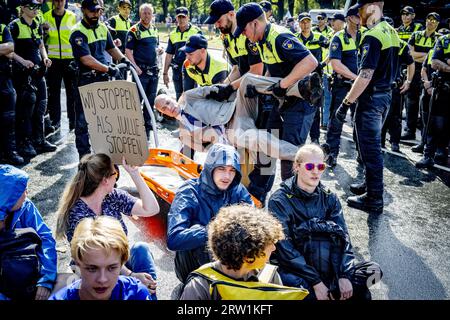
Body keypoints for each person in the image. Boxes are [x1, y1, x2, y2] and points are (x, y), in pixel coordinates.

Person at [268, 144, 383, 300]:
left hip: (329, 266)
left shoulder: (329, 197)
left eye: (320, 166)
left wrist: (343, 274)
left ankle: (332, 291)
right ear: (297, 166)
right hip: (298, 271)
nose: (316, 171)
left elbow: (344, 237)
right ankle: (330, 292)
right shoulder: (279, 200)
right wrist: (316, 282)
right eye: (309, 166)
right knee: (299, 288)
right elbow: (285, 250)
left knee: (373, 270)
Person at [234, 3, 318, 181]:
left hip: (299, 103)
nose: (243, 33)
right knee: (266, 146)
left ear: (255, 23)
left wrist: (283, 84)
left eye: (244, 29)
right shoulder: (262, 41)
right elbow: (272, 68)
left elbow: (310, 62)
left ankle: (292, 201)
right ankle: (259, 192)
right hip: (281, 101)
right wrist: (259, 87)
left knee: (290, 159)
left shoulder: (279, 37)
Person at [55, 153, 160, 297]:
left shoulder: (112, 197)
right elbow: (95, 255)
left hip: (116, 261)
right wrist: (132, 275)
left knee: (141, 248)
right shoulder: (77, 212)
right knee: (134, 280)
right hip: (93, 269)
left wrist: (135, 174)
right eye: (115, 173)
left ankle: (149, 297)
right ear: (105, 180)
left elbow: (152, 209)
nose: (117, 177)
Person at [155, 72, 321, 160]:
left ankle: (300, 87)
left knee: (248, 79)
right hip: (232, 133)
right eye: (164, 108)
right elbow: (205, 149)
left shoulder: (188, 97)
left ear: (171, 98)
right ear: (163, 113)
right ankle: (305, 155)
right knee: (258, 138)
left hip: (235, 109)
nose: (169, 108)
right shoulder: (184, 134)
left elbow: (212, 90)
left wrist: (228, 91)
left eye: (168, 102)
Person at [340, 0, 400, 214]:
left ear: (374, 6)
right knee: (369, 147)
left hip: (372, 100)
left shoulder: (372, 35)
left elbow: (365, 75)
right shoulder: (390, 30)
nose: (359, 13)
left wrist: (346, 102)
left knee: (370, 148)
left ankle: (374, 198)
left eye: (362, 8)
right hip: (385, 97)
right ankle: (369, 185)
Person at [167, 143, 253, 284]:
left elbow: (255, 226)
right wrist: (216, 230)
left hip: (232, 266)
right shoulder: (189, 191)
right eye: (221, 169)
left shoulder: (238, 190)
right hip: (194, 269)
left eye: (232, 170)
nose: (227, 176)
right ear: (210, 168)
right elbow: (174, 239)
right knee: (198, 230)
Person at [180, 204, 287, 300]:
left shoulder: (269, 275)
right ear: (248, 256)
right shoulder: (200, 286)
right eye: (268, 244)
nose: (273, 248)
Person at [69, 0, 128, 159]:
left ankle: (104, 157)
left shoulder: (103, 28)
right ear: (83, 10)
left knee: (104, 121)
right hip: (86, 82)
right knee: (83, 123)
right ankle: (85, 160)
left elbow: (111, 47)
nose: (96, 14)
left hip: (103, 81)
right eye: (92, 11)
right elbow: (86, 59)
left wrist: (123, 60)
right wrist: (108, 68)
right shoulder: (77, 32)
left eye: (98, 11)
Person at [50, 216, 154, 300]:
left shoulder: (136, 293)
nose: (102, 279)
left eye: (112, 268)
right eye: (92, 268)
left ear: (122, 263)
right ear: (77, 264)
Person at [0, 164, 57, 300]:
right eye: (22, 189)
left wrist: (46, 278)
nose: (27, 192)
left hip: (24, 273)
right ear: (8, 197)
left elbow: (45, 238)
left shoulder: (26, 206)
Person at [10, 0, 57, 158]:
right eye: (32, 6)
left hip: (39, 73)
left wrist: (45, 58)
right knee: (26, 110)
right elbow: (9, 51)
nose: (36, 9)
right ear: (22, 8)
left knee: (41, 108)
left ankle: (40, 139)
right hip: (23, 75)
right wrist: (23, 61)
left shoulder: (37, 22)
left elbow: (41, 44)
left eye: (37, 6)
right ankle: (25, 142)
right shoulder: (14, 26)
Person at [322, 5, 362, 167]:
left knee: (361, 121)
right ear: (351, 18)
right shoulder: (339, 37)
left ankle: (362, 154)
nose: (362, 19)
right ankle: (332, 153)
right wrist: (358, 78)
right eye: (359, 16)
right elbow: (336, 65)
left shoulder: (366, 35)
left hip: (361, 87)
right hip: (343, 86)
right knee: (336, 119)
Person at [125, 3, 163, 138]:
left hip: (154, 71)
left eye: (149, 13)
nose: (147, 16)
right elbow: (128, 51)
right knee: (137, 100)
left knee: (150, 99)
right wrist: (135, 67)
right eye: (144, 13)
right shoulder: (134, 30)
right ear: (140, 14)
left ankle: (148, 124)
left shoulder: (154, 29)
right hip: (141, 72)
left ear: (152, 15)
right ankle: (135, 126)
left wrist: (159, 50)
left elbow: (156, 46)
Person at [401, 12, 440, 141]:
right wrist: (428, 54)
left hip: (428, 74)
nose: (430, 21)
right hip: (413, 70)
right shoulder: (416, 35)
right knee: (411, 103)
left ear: (438, 24)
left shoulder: (439, 38)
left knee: (426, 106)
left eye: (434, 20)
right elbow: (409, 53)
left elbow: (436, 58)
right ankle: (410, 131)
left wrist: (419, 55)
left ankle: (424, 138)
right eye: (429, 18)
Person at [416, 30, 450, 168]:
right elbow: (434, 62)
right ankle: (428, 156)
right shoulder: (444, 40)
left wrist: (446, 62)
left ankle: (442, 152)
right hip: (443, 90)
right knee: (434, 124)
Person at [43, 0, 77, 131]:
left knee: (72, 92)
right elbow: (41, 38)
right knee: (54, 92)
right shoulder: (45, 16)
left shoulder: (72, 16)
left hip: (70, 59)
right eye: (56, 0)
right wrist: (43, 31)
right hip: (53, 60)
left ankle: (73, 121)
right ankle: (55, 121)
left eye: (61, 0)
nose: (59, 3)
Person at [297, 12, 329, 145]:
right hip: (300, 80)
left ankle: (315, 138)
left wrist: (323, 64)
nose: (305, 24)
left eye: (307, 21)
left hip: (316, 81)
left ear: (311, 23)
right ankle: (299, 139)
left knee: (315, 110)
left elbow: (332, 53)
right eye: (303, 22)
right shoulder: (294, 38)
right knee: (299, 108)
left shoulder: (320, 37)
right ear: (299, 23)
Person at [381, 37, 414, 152]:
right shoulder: (378, 40)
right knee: (384, 115)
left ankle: (394, 142)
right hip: (383, 85)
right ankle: (381, 141)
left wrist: (408, 81)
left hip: (394, 86)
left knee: (394, 116)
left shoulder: (401, 44)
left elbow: (411, 62)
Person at [163, 6, 202, 100]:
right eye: (179, 17)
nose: (181, 20)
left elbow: (202, 52)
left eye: (183, 17)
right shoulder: (172, 34)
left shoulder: (196, 31)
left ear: (188, 17)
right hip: (177, 70)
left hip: (191, 69)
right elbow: (169, 55)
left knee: (190, 96)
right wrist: (165, 73)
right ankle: (180, 115)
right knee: (179, 96)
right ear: (176, 18)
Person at [0, 21, 24, 165]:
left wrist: (6, 49)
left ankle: (10, 152)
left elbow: (10, 48)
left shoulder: (3, 28)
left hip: (4, 79)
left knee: (9, 118)